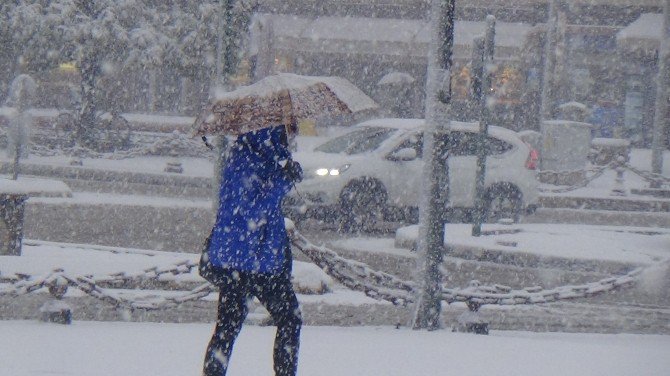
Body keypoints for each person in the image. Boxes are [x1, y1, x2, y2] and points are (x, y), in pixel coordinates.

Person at [203, 123, 303, 376]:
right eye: (289, 129)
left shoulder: (263, 155)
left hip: (258, 259)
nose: (292, 135)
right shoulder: (244, 159)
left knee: (230, 329)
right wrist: (283, 181)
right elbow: (251, 212)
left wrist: (285, 174)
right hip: (248, 261)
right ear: (274, 131)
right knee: (234, 328)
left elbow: (265, 211)